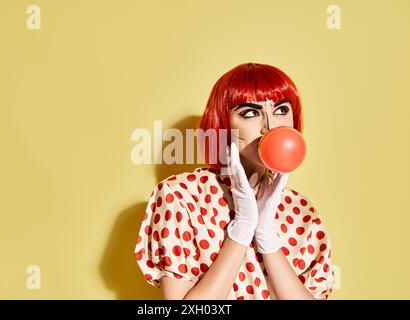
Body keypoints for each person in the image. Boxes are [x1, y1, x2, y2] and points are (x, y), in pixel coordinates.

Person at [133, 62, 335, 300]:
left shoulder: (301, 211)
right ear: (224, 124)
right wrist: (241, 228)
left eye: (281, 110)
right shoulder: (180, 196)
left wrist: (266, 235)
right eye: (250, 113)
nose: (269, 127)